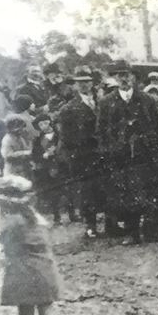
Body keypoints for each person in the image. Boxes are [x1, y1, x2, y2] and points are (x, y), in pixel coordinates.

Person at [0, 175, 72, 315]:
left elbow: (8, 247)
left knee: (26, 311)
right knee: (47, 309)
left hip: (25, 271)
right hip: (45, 269)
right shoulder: (37, 218)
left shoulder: (12, 222)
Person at [96, 60, 158, 245]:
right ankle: (131, 233)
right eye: (120, 75)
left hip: (144, 154)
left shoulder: (146, 100)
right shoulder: (106, 102)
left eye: (126, 74)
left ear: (133, 76)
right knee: (125, 194)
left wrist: (151, 145)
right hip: (120, 157)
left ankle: (150, 231)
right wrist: (109, 151)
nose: (124, 78)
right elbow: (101, 131)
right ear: (115, 78)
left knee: (148, 191)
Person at [57, 67, 100, 239]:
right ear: (75, 85)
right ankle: (90, 226)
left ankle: (112, 224)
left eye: (87, 81)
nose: (84, 85)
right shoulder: (68, 108)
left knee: (104, 187)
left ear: (92, 83)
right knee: (87, 191)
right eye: (80, 82)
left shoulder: (101, 102)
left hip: (102, 153)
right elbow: (66, 137)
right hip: (83, 156)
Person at [31, 113, 61, 224]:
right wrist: (43, 156)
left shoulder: (59, 135)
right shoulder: (38, 140)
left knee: (66, 189)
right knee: (53, 191)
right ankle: (56, 215)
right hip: (47, 167)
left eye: (46, 123)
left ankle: (72, 214)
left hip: (60, 164)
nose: (44, 126)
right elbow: (34, 155)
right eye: (41, 124)